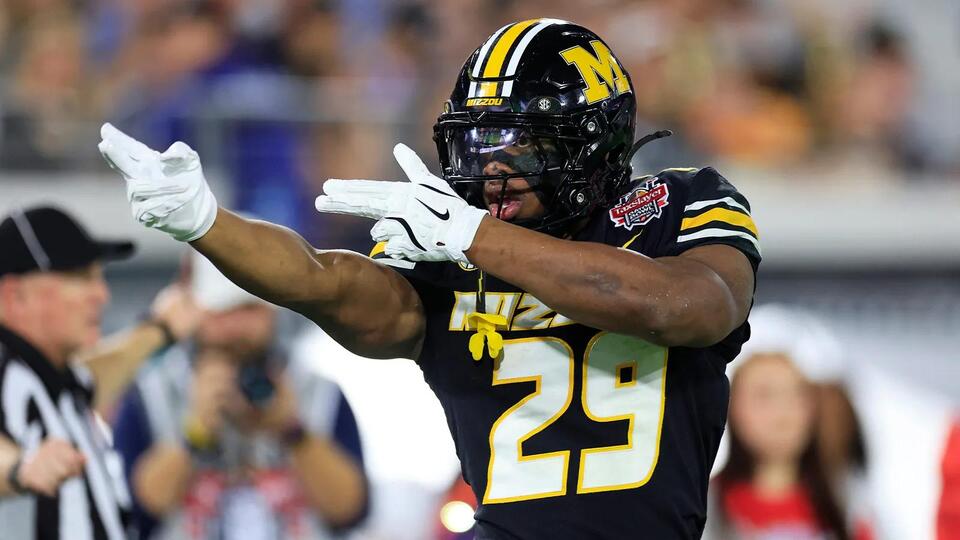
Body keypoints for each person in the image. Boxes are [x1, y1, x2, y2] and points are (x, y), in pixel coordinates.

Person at [98, 19, 760, 539]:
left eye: (519, 143)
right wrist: (205, 221)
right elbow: (321, 279)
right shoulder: (450, 246)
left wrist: (477, 239)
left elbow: (686, 307)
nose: (491, 169)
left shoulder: (677, 204)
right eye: (479, 143)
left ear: (592, 140)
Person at [111, 251, 368, 540]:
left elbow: (351, 511)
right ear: (193, 312)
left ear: (273, 311)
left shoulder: (317, 391)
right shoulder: (152, 394)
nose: (235, 328)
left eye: (248, 309)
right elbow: (135, 512)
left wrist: (293, 431)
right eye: (221, 310)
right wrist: (195, 432)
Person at [0, 206, 195, 539]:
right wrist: (20, 469)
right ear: (14, 295)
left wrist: (161, 329)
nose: (102, 294)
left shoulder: (54, 376)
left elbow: (94, 376)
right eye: (80, 277)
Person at [705, 306, 874, 540]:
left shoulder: (847, 507)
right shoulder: (707, 505)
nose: (782, 412)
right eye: (764, 395)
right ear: (732, 406)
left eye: (797, 394)